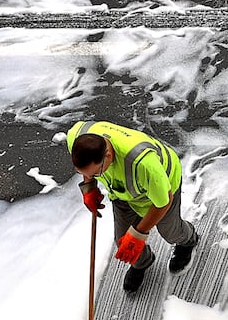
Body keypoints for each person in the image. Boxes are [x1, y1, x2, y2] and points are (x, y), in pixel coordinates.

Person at [67, 120, 200, 293]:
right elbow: (88, 169)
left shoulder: (144, 164)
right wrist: (89, 188)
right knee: (122, 241)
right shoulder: (76, 136)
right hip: (122, 190)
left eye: (95, 173)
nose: (90, 176)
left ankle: (188, 240)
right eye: (83, 173)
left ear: (107, 155)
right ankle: (143, 262)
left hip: (163, 185)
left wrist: (138, 234)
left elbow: (163, 202)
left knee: (169, 231)